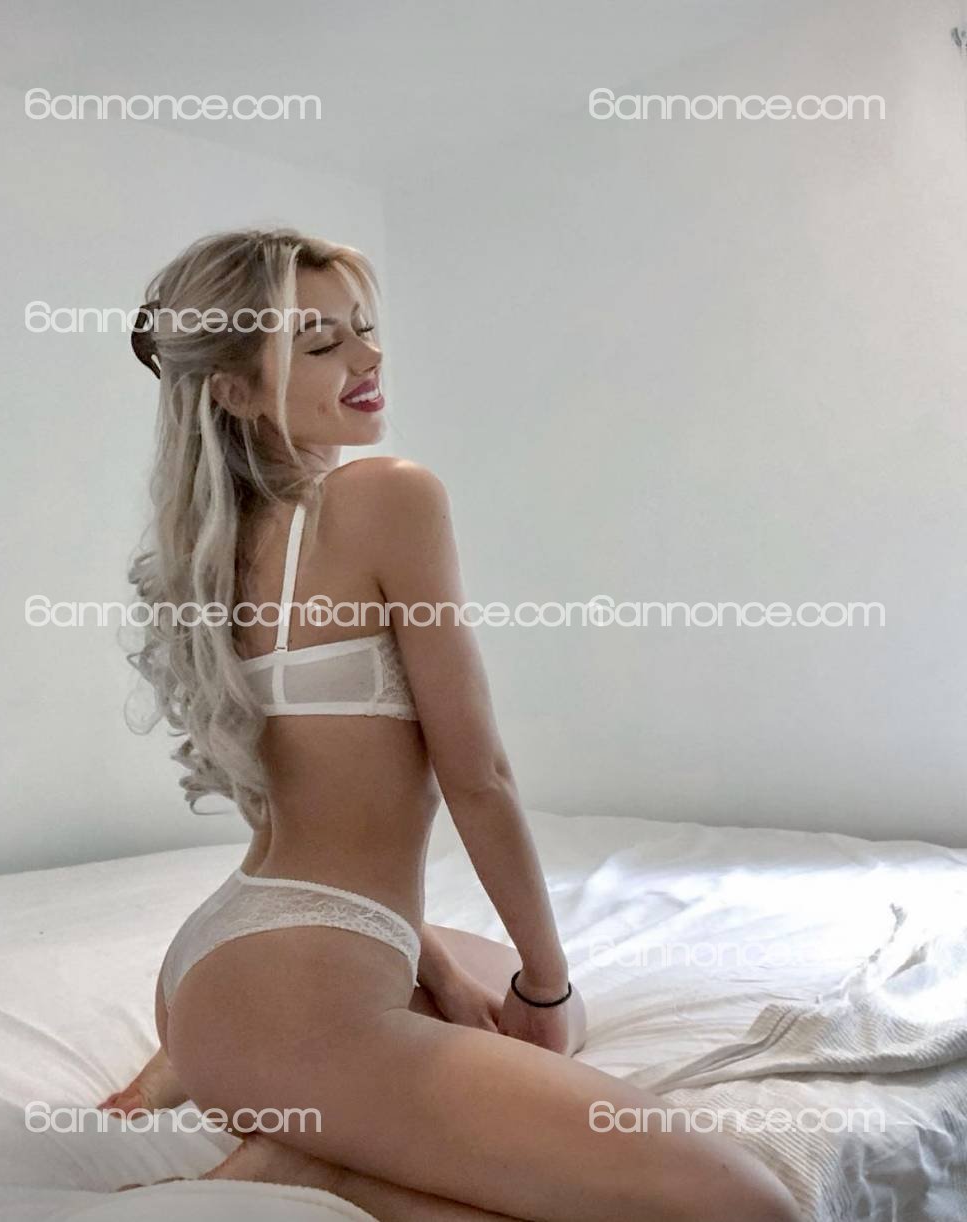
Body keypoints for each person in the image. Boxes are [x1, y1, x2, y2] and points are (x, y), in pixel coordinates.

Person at [116, 227, 802, 1222]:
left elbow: (306, 811)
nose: (368, 357)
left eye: (363, 328)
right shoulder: (387, 494)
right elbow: (478, 777)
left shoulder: (218, 546)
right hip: (289, 1004)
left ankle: (231, 1080)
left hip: (221, 968)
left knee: (499, 995)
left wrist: (438, 967)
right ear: (234, 389)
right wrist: (546, 987)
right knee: (747, 1206)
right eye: (321, 343)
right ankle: (323, 1165)